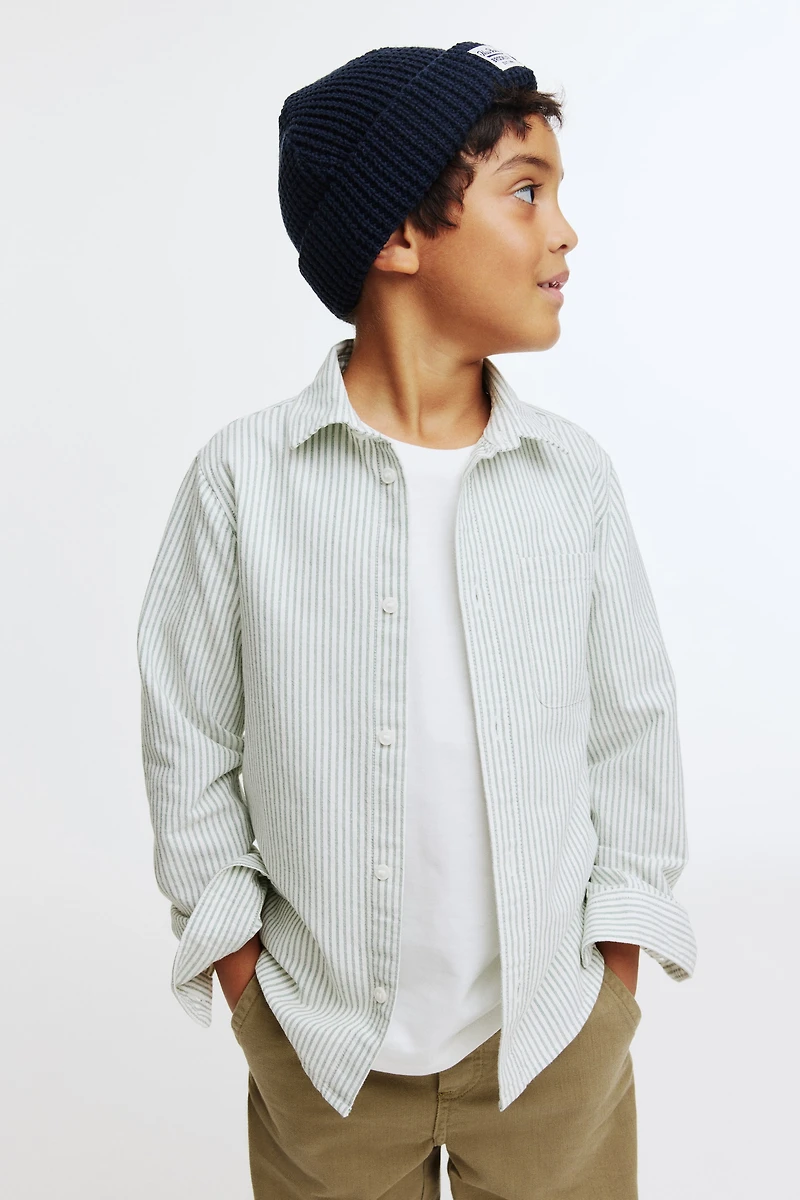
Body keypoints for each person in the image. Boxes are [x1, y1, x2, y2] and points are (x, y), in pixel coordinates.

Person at [136, 39, 698, 1200]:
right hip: (323, 1063)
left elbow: (629, 730)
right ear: (397, 234)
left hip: (551, 1049)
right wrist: (250, 996)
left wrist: (613, 984)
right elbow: (188, 746)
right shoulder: (243, 482)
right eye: (525, 191)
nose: (564, 233)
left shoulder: (571, 480)